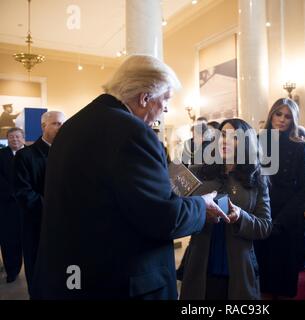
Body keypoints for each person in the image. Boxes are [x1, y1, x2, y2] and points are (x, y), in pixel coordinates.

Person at [32, 55, 228, 300]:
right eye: (165, 100)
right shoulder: (134, 133)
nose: (165, 109)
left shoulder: (72, 125)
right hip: (119, 281)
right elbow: (163, 218)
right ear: (144, 98)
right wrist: (201, 206)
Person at [180, 118, 272, 300]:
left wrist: (241, 217)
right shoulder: (198, 171)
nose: (225, 140)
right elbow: (180, 210)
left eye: (234, 137)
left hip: (238, 267)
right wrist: (198, 211)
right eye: (223, 135)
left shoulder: (256, 179)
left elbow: (265, 226)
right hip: (201, 262)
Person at [255, 98, 305, 298]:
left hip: (286, 221)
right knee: (261, 282)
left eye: (287, 116)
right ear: (271, 115)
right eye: (279, 114)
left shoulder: (298, 146)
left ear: (293, 120)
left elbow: (304, 190)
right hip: (259, 216)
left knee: (284, 284)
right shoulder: (258, 141)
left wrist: (280, 221)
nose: (282, 120)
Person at [13, 111, 65, 297]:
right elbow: (23, 193)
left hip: (65, 228)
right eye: (56, 123)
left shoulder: (70, 153)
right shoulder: (25, 156)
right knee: (39, 276)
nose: (61, 127)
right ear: (43, 126)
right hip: (38, 226)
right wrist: (55, 210)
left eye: (63, 123)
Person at [0, 127, 25, 283]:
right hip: (7, 205)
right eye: (11, 137)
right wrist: (12, 193)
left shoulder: (31, 153)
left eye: (17, 137)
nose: (14, 139)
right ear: (7, 139)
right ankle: (12, 270)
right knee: (9, 240)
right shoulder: (1, 155)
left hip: (28, 205)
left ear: (23, 138)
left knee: (29, 240)